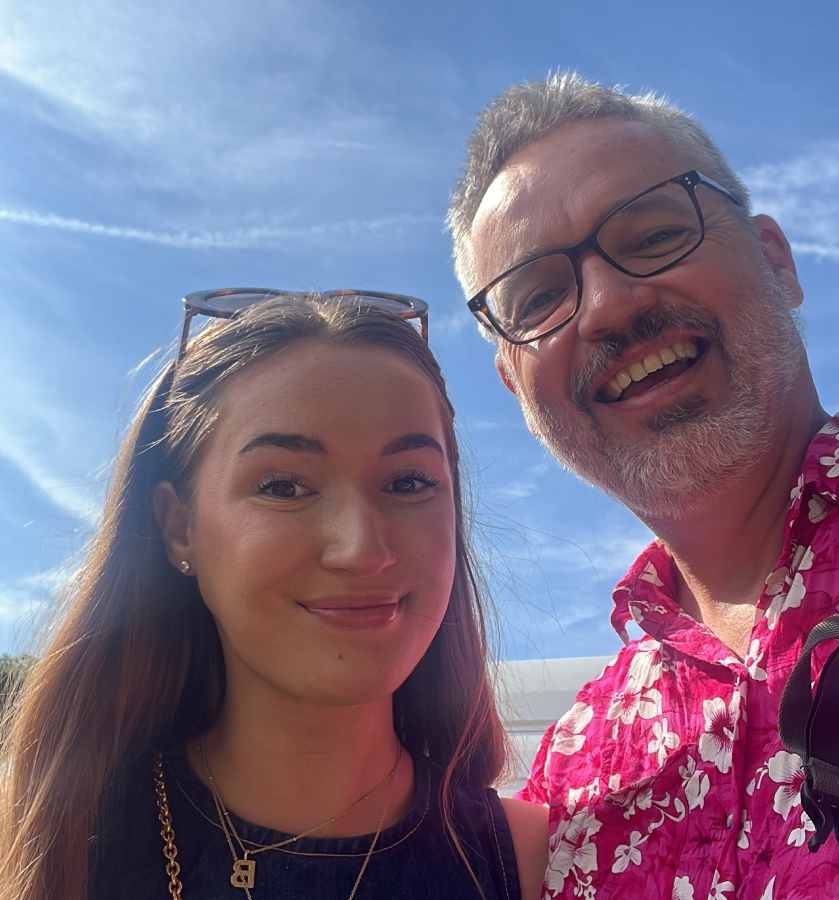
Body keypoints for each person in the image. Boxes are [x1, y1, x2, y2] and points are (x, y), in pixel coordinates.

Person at [447, 73, 839, 898]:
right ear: (517, 388)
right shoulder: (571, 781)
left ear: (776, 260)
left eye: (653, 234)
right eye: (541, 297)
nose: (609, 306)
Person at [0, 290, 548, 900]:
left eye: (409, 481)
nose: (361, 549)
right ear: (180, 528)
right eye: (284, 486)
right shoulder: (39, 837)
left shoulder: (537, 863)